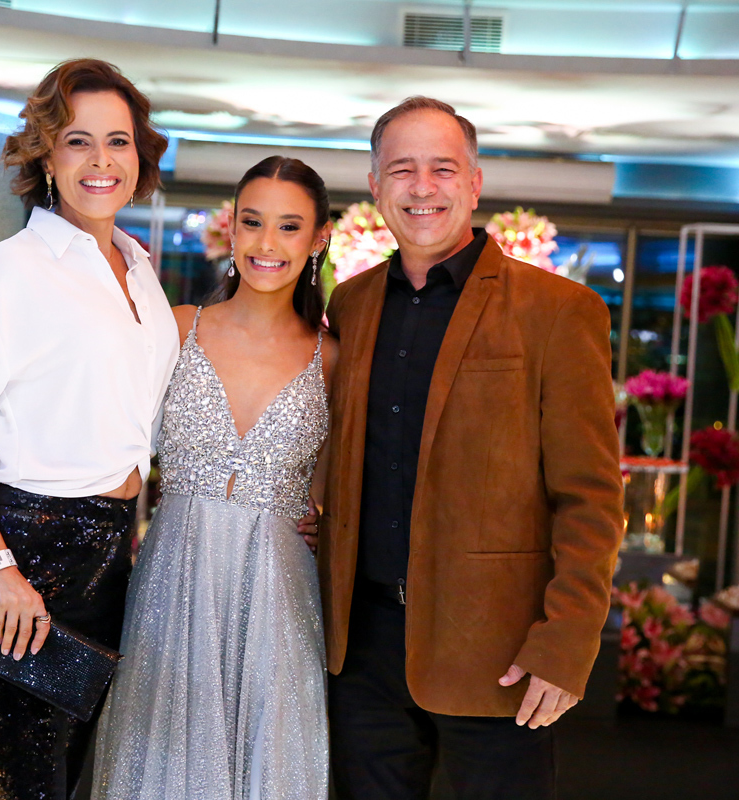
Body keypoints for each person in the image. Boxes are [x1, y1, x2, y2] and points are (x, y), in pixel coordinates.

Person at [310, 97, 624, 799]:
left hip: (499, 653)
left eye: (443, 169)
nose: (422, 187)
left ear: (475, 183)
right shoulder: (351, 304)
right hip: (362, 655)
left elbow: (591, 497)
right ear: (376, 186)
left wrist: (567, 641)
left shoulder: (557, 311)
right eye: (402, 169)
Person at [0, 59, 176, 800]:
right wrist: (2, 575)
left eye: (118, 142)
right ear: (46, 156)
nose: (101, 161)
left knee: (67, 785)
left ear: (140, 155)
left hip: (107, 563)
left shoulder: (139, 269)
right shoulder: (7, 274)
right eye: (77, 141)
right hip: (18, 568)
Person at [92, 156, 338, 800]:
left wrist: (327, 525)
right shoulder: (177, 327)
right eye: (252, 222)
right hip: (173, 577)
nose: (266, 243)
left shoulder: (332, 358)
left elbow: (340, 488)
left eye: (289, 226)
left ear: (319, 239)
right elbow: (109, 443)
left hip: (279, 594)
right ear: (232, 228)